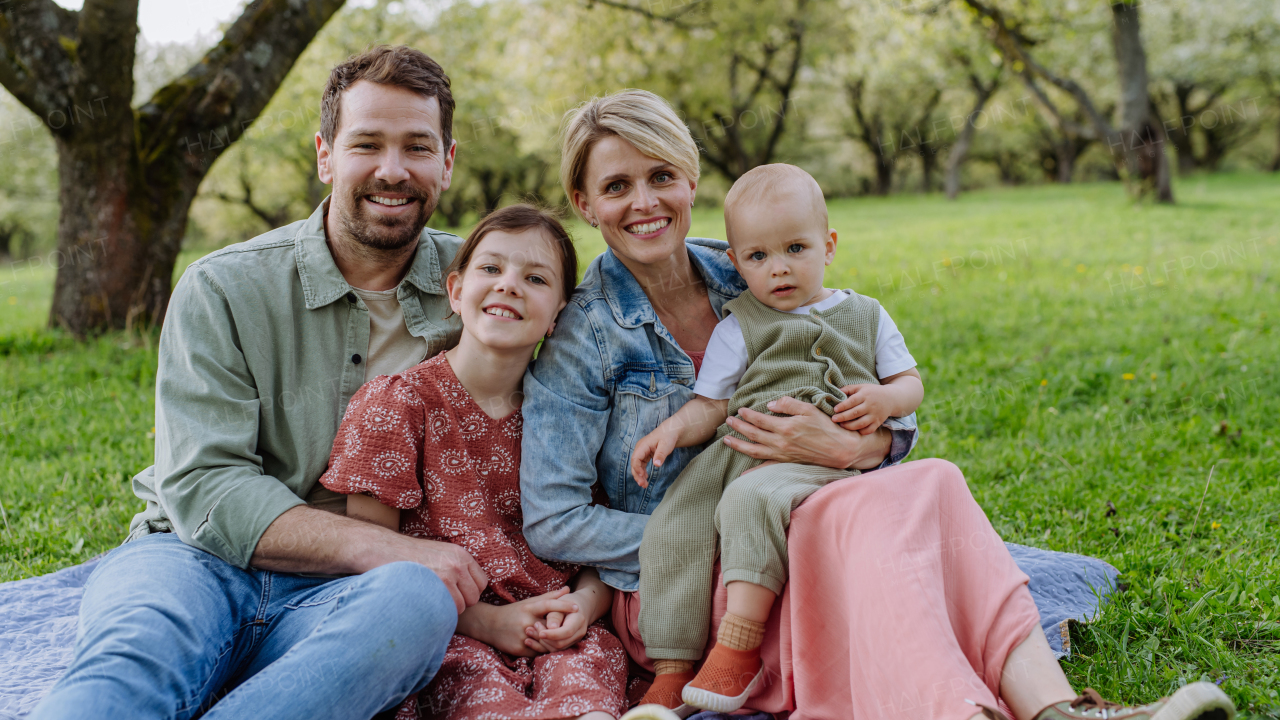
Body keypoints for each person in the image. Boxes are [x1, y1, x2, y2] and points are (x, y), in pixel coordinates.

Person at [519, 89, 1235, 720]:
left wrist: (860, 447)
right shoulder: (582, 337)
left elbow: (858, 367)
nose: (644, 203)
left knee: (933, 478)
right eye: (617, 186)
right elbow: (554, 521)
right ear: (584, 204)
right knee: (903, 559)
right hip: (688, 584)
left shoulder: (749, 259)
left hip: (821, 511)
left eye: (661, 176)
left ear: (691, 179)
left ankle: (1059, 710)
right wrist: (717, 544)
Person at [31, 46, 489, 720]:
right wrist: (396, 549)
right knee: (129, 666)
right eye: (367, 143)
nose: (393, 171)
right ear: (325, 155)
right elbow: (206, 485)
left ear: (446, 163)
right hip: (192, 560)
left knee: (418, 604)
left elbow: (610, 285)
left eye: (417, 147)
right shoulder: (222, 286)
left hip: (351, 593)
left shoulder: (483, 282)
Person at [627, 163, 924, 712]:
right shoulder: (739, 324)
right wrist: (671, 429)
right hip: (741, 449)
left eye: (795, 248)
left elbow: (909, 384)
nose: (779, 269)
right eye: (759, 257)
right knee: (675, 521)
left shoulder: (866, 314)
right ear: (737, 263)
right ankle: (670, 665)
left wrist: (886, 400)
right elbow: (712, 404)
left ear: (828, 246)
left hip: (824, 451)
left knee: (752, 499)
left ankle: (737, 652)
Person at [317, 205, 628, 720]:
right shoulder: (396, 404)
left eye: (535, 277)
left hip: (565, 636)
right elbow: (371, 566)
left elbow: (597, 545)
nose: (509, 285)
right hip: (451, 637)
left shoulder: (571, 416)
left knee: (590, 705)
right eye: (491, 269)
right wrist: (487, 623)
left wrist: (585, 607)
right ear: (457, 291)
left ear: (558, 315)